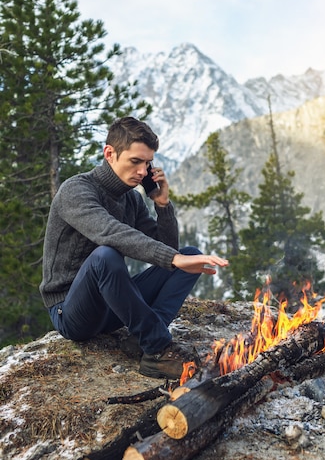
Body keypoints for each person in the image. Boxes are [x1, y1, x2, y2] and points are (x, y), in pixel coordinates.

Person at [39, 116, 229, 379]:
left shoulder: (132, 200)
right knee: (106, 255)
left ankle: (144, 336)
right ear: (110, 154)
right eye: (135, 161)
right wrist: (172, 258)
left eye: (148, 163)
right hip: (71, 312)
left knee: (190, 256)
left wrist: (162, 205)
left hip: (111, 306)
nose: (143, 171)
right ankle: (156, 349)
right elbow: (109, 232)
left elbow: (166, 249)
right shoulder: (76, 190)